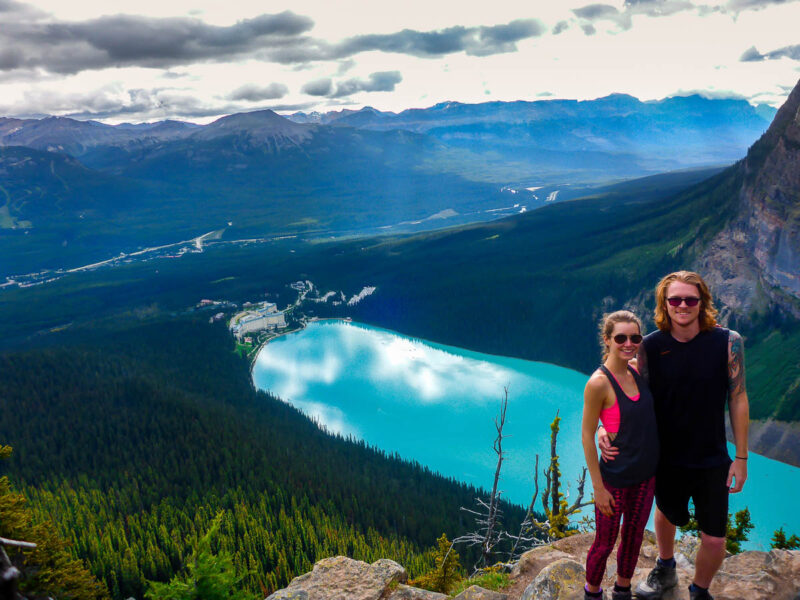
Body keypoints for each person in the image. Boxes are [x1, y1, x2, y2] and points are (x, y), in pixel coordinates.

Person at [599, 271, 749, 600]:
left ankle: (700, 589)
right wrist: (602, 427)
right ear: (664, 305)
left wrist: (741, 457)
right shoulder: (650, 345)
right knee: (666, 513)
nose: (682, 305)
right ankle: (666, 569)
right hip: (664, 456)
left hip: (712, 458)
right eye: (675, 300)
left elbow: (738, 397)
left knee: (714, 539)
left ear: (702, 302)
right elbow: (626, 391)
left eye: (690, 299)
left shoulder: (727, 342)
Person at [581, 310, 659, 600]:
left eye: (635, 337)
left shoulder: (638, 369)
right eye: (621, 338)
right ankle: (592, 592)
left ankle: (623, 589)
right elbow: (587, 435)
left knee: (634, 537)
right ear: (607, 340)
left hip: (645, 476)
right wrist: (598, 488)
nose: (629, 343)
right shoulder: (599, 383)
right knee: (605, 541)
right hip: (613, 479)